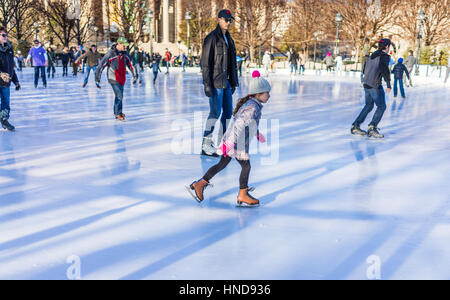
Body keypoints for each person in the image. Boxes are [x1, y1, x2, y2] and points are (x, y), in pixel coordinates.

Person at [186, 71, 270, 207]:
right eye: (267, 92)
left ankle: (200, 184)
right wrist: (230, 143)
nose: (269, 95)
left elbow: (249, 123)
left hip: (233, 141)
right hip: (236, 143)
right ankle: (242, 194)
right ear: (258, 93)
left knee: (222, 164)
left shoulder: (251, 104)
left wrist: (256, 133)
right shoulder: (253, 107)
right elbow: (239, 125)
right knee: (246, 166)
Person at [200, 9, 239, 157]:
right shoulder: (211, 38)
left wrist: (234, 82)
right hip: (215, 82)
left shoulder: (228, 38)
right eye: (226, 19)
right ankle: (206, 145)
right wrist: (207, 84)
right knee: (215, 112)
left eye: (230, 20)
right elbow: (205, 63)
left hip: (227, 83)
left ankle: (222, 143)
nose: (228, 22)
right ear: (219, 20)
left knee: (228, 113)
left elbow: (232, 63)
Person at [351, 38, 392, 139]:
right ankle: (372, 127)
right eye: (389, 46)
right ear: (386, 47)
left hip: (366, 83)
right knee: (381, 106)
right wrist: (388, 83)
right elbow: (384, 69)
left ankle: (356, 125)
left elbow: (365, 68)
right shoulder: (384, 56)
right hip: (374, 85)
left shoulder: (372, 55)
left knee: (369, 105)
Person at [95, 37, 137, 121]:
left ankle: (118, 112)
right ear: (119, 44)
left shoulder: (125, 54)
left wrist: (135, 75)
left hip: (122, 78)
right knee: (119, 95)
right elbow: (101, 65)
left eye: (126, 46)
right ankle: (117, 113)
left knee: (120, 95)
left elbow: (131, 64)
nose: (125, 47)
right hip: (113, 77)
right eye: (124, 45)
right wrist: (97, 78)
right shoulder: (111, 53)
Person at [0, 27, 20, 131]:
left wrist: (16, 81)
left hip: (6, 82)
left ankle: (4, 120)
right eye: (3, 35)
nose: (5, 37)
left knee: (5, 103)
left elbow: (11, 67)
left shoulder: (9, 49)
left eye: (6, 35)